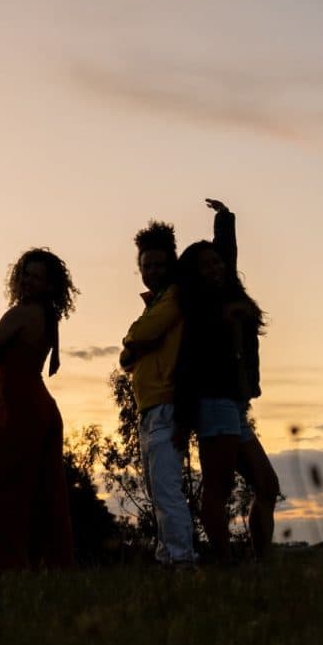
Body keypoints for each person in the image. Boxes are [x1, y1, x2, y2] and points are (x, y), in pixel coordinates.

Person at [173, 199, 279, 562]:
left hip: (233, 406)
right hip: (213, 402)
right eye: (206, 265)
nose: (216, 268)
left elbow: (228, 252)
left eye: (217, 262)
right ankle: (223, 563)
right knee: (217, 489)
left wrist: (224, 217)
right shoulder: (200, 308)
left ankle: (260, 564)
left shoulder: (230, 290)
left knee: (267, 485)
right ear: (195, 274)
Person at [0, 248, 78, 569]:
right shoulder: (48, 316)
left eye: (37, 277)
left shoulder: (21, 314)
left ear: (50, 285)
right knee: (40, 491)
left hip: (20, 408)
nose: (29, 281)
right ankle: (40, 564)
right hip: (37, 405)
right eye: (26, 274)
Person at [119, 221, 197, 567]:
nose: (151, 271)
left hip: (168, 406)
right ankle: (168, 557)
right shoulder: (155, 303)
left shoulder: (177, 295)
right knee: (157, 492)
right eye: (146, 266)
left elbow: (142, 333)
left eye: (158, 265)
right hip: (148, 410)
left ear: (172, 264)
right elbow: (133, 351)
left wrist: (133, 341)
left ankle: (182, 561)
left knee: (167, 492)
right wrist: (134, 345)